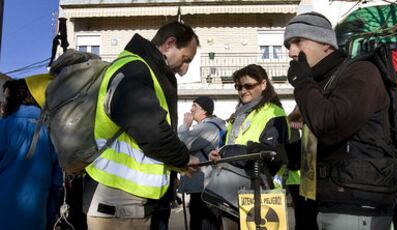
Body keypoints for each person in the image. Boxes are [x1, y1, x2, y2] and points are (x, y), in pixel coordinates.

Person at [284, 12, 397, 230]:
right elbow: (318, 141)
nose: (291, 53)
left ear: (326, 43)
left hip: (356, 203)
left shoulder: (360, 72)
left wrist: (303, 81)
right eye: (288, 45)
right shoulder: (322, 82)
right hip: (327, 199)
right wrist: (277, 153)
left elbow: (329, 126)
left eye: (298, 42)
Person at [83, 21, 200, 230]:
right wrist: (183, 157)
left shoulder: (145, 71)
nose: (184, 70)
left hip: (131, 201)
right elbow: (151, 130)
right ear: (169, 44)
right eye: (185, 60)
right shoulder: (135, 69)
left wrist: (176, 166)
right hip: (119, 201)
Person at [209, 64, 290, 229]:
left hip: (261, 191)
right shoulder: (240, 114)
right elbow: (231, 145)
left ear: (263, 84)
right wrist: (218, 154)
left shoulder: (274, 113)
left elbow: (272, 155)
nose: (242, 90)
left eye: (248, 86)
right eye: (238, 86)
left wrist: (226, 152)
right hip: (231, 190)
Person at [0, 75, 63, 230]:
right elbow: (57, 184)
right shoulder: (52, 133)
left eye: (8, 98)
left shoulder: (4, 127)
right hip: (36, 219)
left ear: (17, 98)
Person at [177, 96, 226, 230]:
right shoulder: (209, 126)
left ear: (204, 111)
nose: (191, 109)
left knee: (202, 224)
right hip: (205, 185)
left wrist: (185, 126)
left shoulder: (206, 128)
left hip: (203, 186)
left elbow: (181, 145)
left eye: (194, 106)